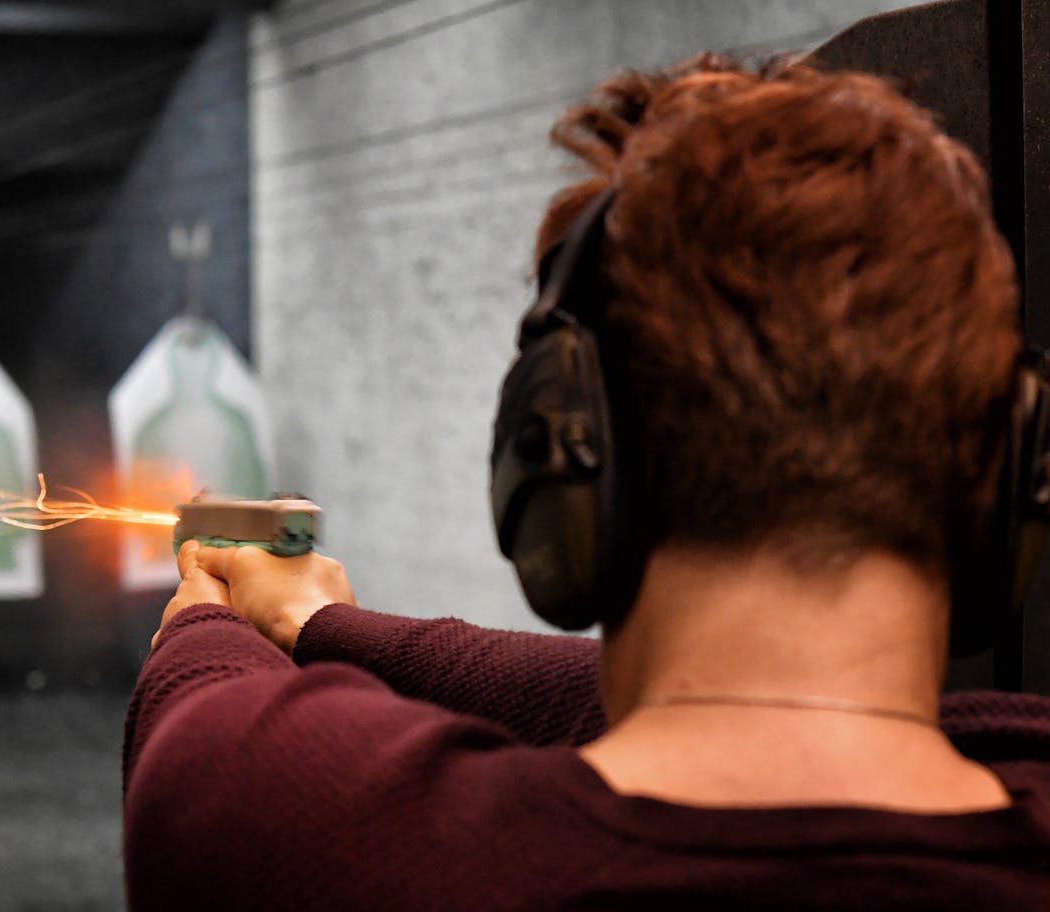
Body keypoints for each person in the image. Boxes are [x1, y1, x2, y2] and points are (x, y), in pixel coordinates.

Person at [123, 56, 1050, 909]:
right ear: (1006, 483)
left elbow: (208, 733)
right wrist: (318, 622)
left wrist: (205, 613)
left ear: (557, 459)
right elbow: (600, 697)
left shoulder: (345, 843)